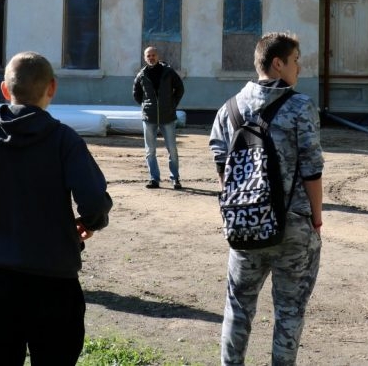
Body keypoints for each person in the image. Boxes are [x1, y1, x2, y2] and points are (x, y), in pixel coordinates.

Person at [0, 51, 112, 365]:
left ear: (4, 89)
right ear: (52, 87)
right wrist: (90, 221)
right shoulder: (64, 140)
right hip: (54, 283)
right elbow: (94, 200)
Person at [209, 32, 323, 366]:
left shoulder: (228, 109)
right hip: (294, 231)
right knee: (289, 311)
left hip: (244, 229)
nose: (299, 67)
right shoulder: (300, 107)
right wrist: (316, 219)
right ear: (278, 63)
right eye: (296, 59)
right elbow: (312, 171)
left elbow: (223, 168)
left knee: (238, 307)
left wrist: (246, 204)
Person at [132, 46, 185, 189]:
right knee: (150, 150)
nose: (151, 58)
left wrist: (172, 104)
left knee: (172, 149)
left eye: (153, 55)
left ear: (158, 56)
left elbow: (180, 88)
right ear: (145, 58)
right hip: (149, 118)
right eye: (148, 55)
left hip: (167, 116)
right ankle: (154, 179)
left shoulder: (168, 72)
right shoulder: (142, 75)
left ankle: (175, 178)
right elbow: (136, 94)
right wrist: (145, 106)